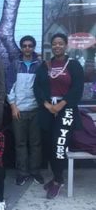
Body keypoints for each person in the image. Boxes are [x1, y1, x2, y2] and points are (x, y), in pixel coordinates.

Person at [33, 33, 84, 199]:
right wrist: (47, 105)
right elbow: (37, 87)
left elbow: (77, 88)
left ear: (66, 45)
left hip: (66, 109)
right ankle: (56, 177)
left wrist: (61, 105)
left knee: (59, 146)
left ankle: (58, 181)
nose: (57, 46)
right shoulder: (46, 65)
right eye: (54, 44)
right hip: (48, 109)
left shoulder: (74, 65)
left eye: (60, 43)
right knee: (49, 145)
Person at [7, 36, 44, 186]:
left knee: (36, 143)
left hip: (36, 110)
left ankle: (35, 171)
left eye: (30, 46)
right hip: (19, 111)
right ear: (21, 48)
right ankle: (22, 173)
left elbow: (43, 87)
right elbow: (9, 86)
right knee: (20, 143)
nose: (27, 48)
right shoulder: (15, 64)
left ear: (34, 47)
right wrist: (13, 106)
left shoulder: (40, 65)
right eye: (24, 46)